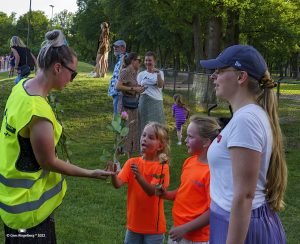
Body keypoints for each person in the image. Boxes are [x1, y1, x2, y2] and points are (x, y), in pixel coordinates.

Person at [0, 29, 113, 243]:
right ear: (58, 67)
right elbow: (49, 162)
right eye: (73, 73)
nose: (73, 79)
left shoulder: (21, 89)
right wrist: (90, 173)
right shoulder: (38, 113)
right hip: (31, 215)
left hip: (13, 207)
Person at [200, 44, 287, 244]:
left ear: (241, 77)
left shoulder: (246, 120)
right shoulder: (246, 116)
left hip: (240, 227)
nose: (214, 76)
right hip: (231, 221)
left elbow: (244, 196)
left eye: (220, 71)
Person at [157, 115, 220, 244]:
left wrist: (185, 228)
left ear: (206, 142)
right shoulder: (189, 162)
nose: (185, 140)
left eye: (190, 136)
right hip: (179, 229)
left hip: (197, 238)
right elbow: (184, 190)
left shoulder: (211, 172)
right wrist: (167, 194)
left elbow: (213, 211)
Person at [110, 122, 170, 244]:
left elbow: (152, 192)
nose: (145, 139)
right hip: (134, 225)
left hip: (154, 228)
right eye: (143, 135)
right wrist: (113, 174)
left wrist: (139, 177)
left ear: (160, 146)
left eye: (151, 137)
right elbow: (118, 184)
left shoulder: (162, 167)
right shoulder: (132, 162)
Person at [116, 52, 145, 157]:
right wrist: (133, 88)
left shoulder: (135, 73)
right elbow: (118, 86)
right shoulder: (125, 71)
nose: (140, 63)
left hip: (133, 104)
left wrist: (139, 89)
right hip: (125, 105)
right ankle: (117, 157)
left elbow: (134, 86)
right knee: (125, 131)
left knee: (133, 130)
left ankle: (130, 158)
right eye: (139, 60)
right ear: (133, 61)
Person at [137, 51, 165, 136]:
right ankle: (143, 145)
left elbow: (160, 86)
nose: (147, 62)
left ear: (154, 62)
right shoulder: (141, 74)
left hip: (156, 102)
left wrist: (158, 74)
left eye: (150, 60)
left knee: (157, 126)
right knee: (143, 124)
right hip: (144, 102)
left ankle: (157, 145)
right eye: (146, 60)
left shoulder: (160, 73)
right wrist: (140, 89)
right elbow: (137, 88)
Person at [108, 40, 127, 115]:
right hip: (116, 92)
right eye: (114, 47)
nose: (114, 48)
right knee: (116, 115)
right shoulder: (120, 59)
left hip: (120, 93)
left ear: (123, 48)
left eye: (117, 47)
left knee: (117, 117)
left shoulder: (125, 58)